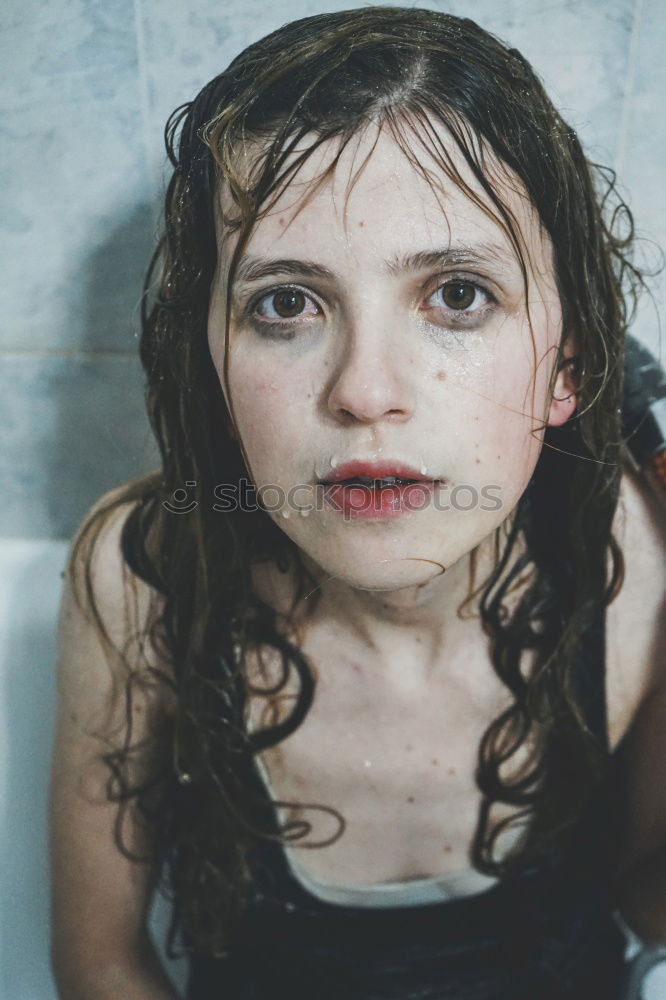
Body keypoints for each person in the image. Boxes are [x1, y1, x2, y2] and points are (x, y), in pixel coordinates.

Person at [49, 7, 666, 999]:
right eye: (285, 303)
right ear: (213, 360)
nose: (365, 389)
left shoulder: (637, 561)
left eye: (458, 294)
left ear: (569, 364)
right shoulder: (142, 579)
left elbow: (643, 904)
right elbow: (101, 962)